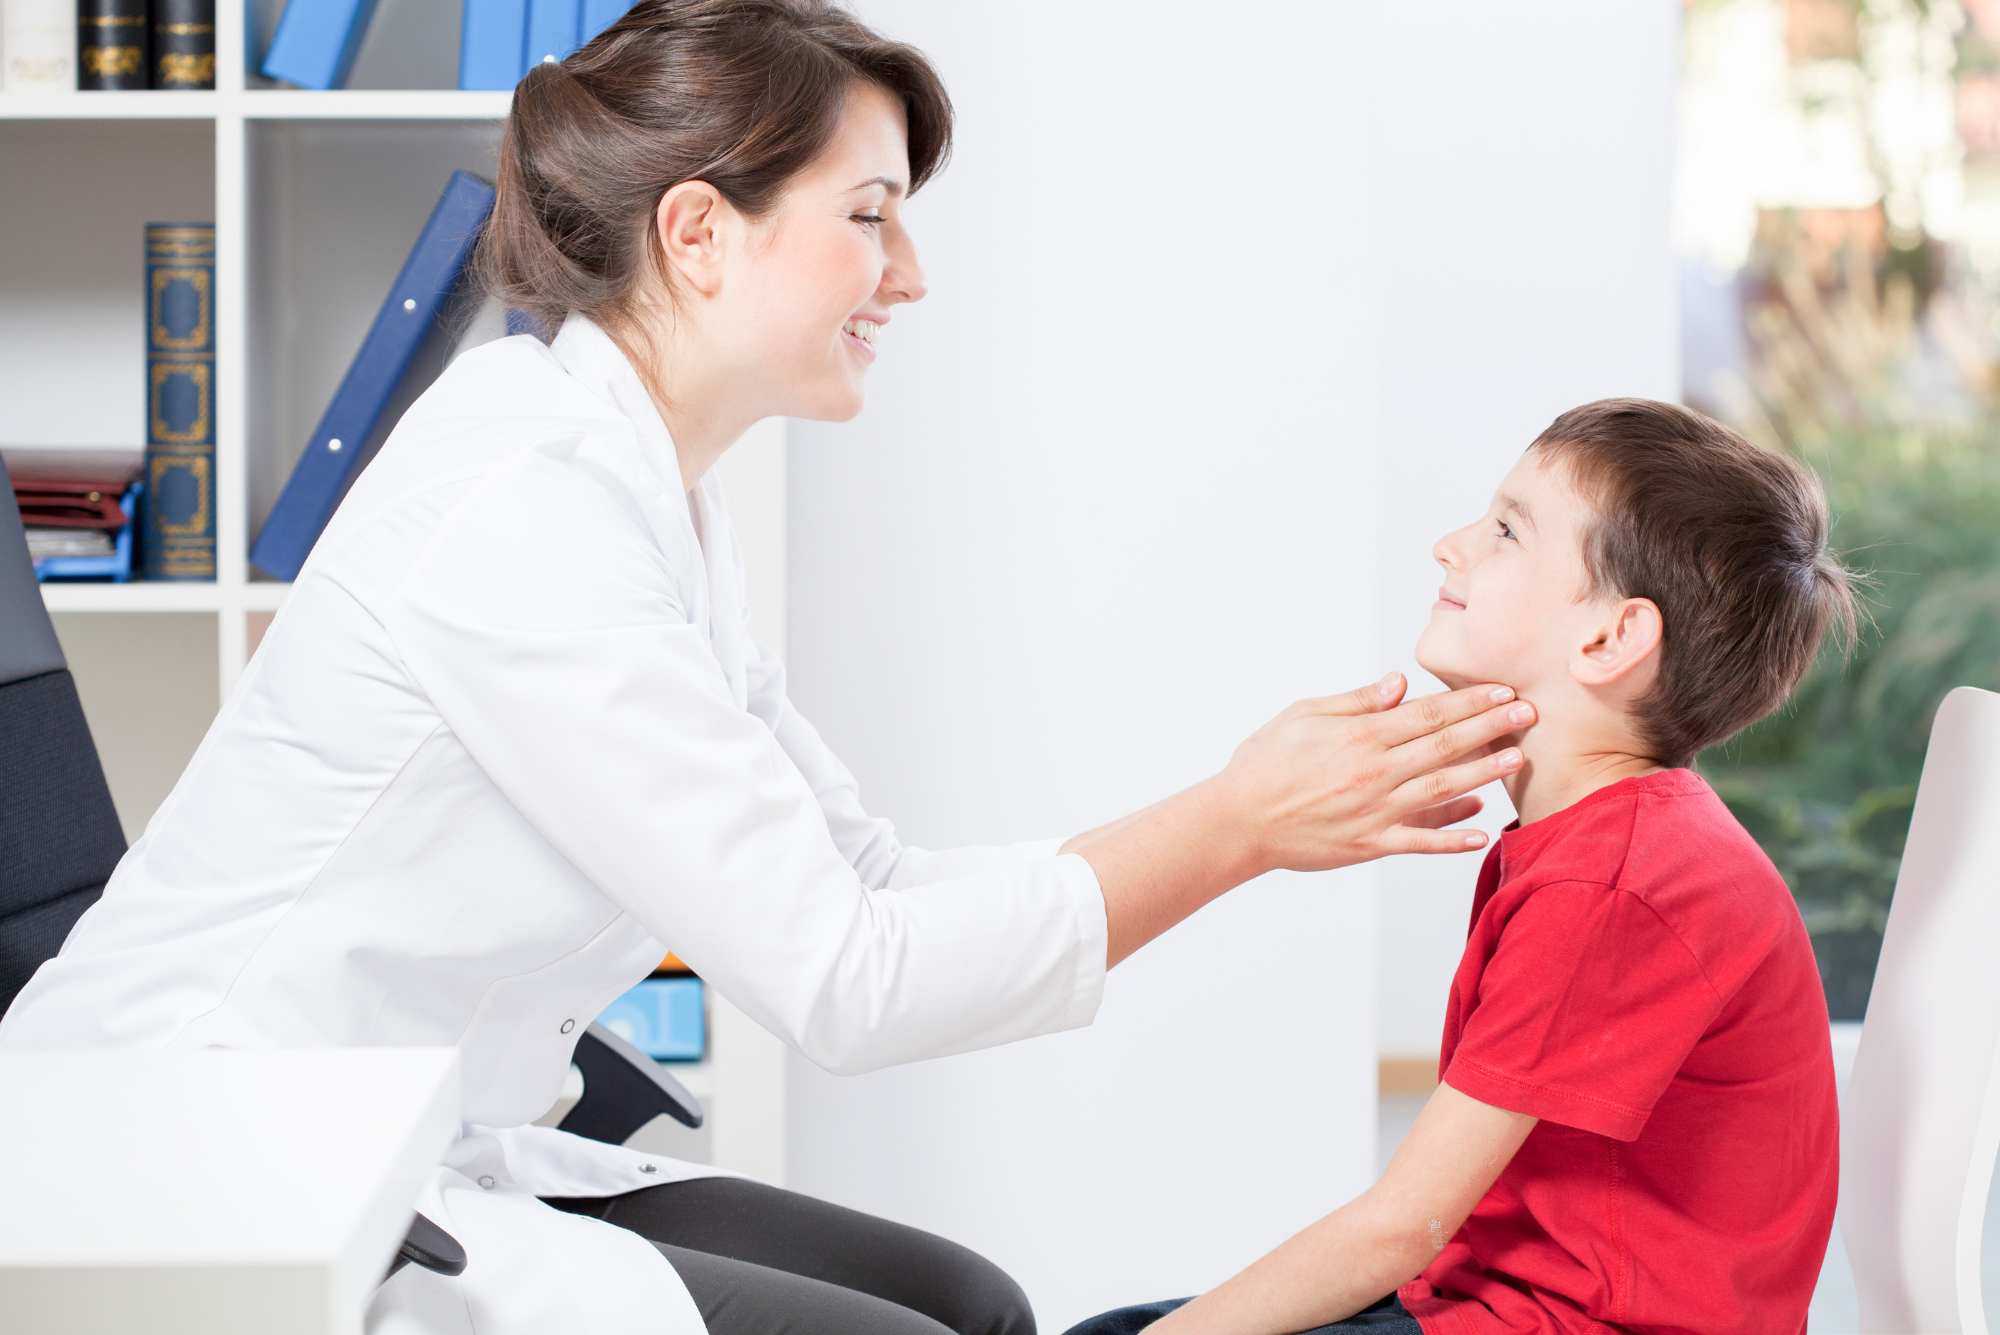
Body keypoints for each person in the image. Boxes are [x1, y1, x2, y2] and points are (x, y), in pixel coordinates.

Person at [0, 4, 1536, 1335]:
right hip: (220, 1168)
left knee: (977, 1301)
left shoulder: (648, 490)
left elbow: (864, 874)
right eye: (870, 214)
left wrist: (1237, 819)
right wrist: (1236, 826)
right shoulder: (524, 509)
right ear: (696, 232)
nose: (911, 274)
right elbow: (847, 982)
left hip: (410, 1135)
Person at [1068, 399, 1855, 1335]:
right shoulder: (1612, 843)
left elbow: (1398, 1226)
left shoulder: (1619, 882)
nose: (1450, 544)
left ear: (1609, 640)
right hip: (1501, 1303)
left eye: (1506, 530)